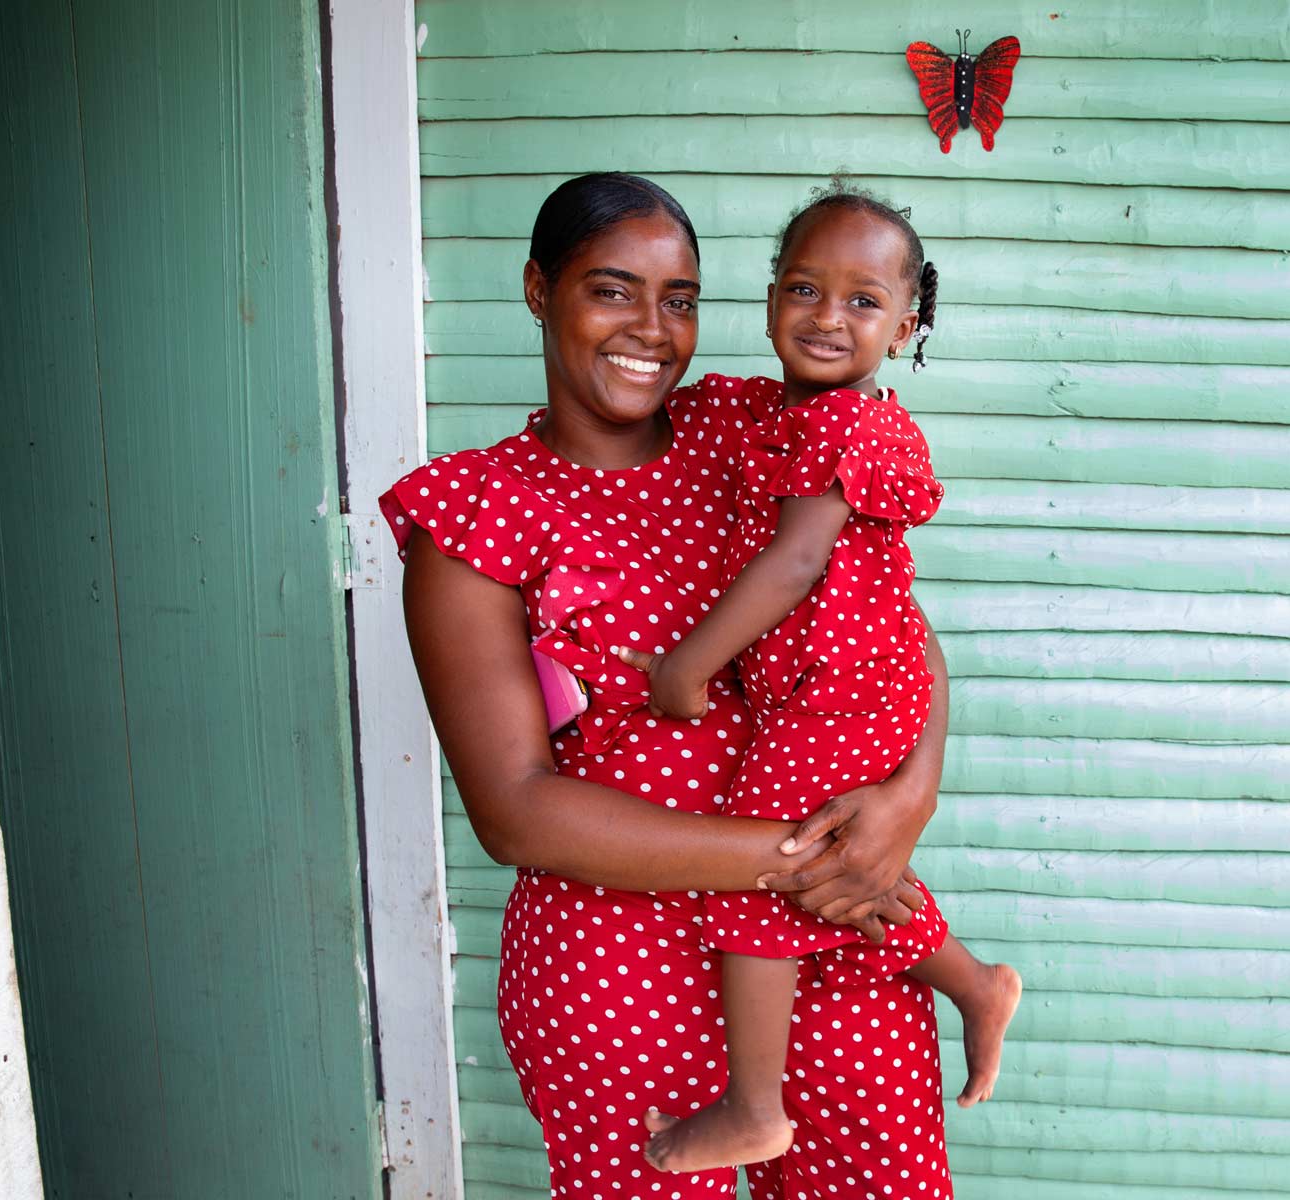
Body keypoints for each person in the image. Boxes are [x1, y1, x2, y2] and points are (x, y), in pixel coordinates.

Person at [383, 173, 958, 1198]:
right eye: (612, 290)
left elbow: (892, 627)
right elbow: (515, 812)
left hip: (819, 942)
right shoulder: (477, 514)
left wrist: (908, 801)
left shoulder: (754, 432)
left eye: (680, 298)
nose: (650, 328)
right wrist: (804, 856)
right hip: (619, 964)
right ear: (537, 288)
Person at [620, 183, 1023, 1175]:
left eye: (862, 300)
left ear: (908, 321)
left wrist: (685, 671)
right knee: (828, 861)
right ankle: (971, 980)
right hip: (839, 690)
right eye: (803, 288)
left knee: (777, 856)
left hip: (848, 692)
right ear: (767, 299)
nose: (827, 318)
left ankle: (755, 1107)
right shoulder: (764, 413)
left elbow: (797, 564)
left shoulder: (854, 427)